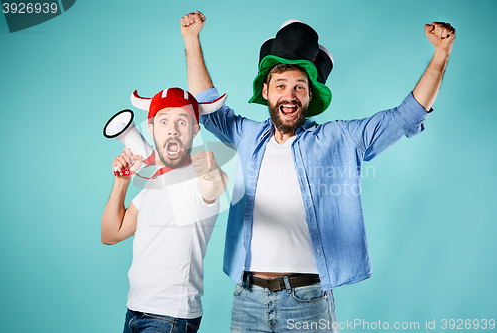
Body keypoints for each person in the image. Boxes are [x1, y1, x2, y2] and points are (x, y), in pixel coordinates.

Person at [181, 11, 455, 333]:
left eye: (300, 87)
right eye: (281, 85)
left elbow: (405, 117)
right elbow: (206, 104)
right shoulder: (246, 136)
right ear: (266, 92)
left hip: (307, 301)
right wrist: (191, 39)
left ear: (310, 97)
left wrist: (441, 54)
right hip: (247, 299)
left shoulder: (339, 138)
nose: (290, 94)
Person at [101, 87, 228, 333]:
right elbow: (110, 234)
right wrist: (122, 182)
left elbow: (215, 186)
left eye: (182, 121)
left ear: (194, 130)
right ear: (151, 129)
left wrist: (214, 172)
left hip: (169, 317)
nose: (172, 129)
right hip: (134, 311)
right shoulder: (152, 184)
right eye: (164, 121)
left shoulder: (197, 176)